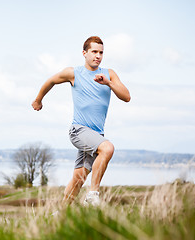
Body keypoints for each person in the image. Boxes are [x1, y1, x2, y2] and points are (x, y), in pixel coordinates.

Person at [32, 36, 131, 206]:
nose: (98, 56)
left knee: (78, 178)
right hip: (79, 130)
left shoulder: (109, 74)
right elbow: (51, 81)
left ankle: (60, 214)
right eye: (94, 52)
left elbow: (126, 96)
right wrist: (38, 100)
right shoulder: (74, 73)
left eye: (101, 52)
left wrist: (108, 83)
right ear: (84, 53)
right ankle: (93, 194)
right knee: (107, 148)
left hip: (96, 135)